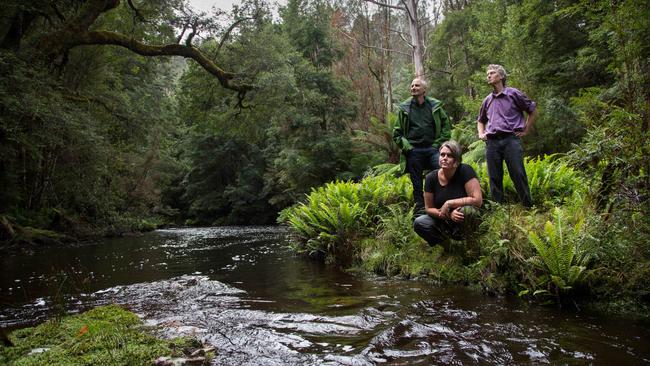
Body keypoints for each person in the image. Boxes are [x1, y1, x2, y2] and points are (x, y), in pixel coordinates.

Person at [477, 64, 538, 207]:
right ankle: (498, 209)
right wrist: (481, 133)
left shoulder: (513, 94)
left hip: (511, 140)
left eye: (492, 73)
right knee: (494, 176)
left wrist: (526, 130)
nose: (489, 75)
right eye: (488, 74)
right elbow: (480, 120)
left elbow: (533, 111)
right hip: (492, 142)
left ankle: (527, 206)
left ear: (502, 76)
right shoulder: (487, 100)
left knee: (518, 173)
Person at [393, 77, 451, 213]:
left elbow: (446, 126)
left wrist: (438, 144)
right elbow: (397, 133)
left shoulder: (434, 106)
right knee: (417, 182)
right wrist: (408, 148)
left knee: (439, 173)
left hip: (433, 148)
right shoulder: (405, 109)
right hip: (414, 150)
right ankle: (420, 210)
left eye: (417, 86)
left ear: (424, 90)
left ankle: (441, 204)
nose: (413, 88)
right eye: (412, 86)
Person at [413, 140, 483, 246]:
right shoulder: (431, 178)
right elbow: (429, 208)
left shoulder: (465, 171)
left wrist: (449, 203)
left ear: (457, 161)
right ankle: (448, 246)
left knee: (467, 210)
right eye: (442, 154)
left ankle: (471, 243)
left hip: (462, 216)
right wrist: (449, 215)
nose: (444, 158)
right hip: (443, 218)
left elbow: (477, 200)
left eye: (449, 155)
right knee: (420, 222)